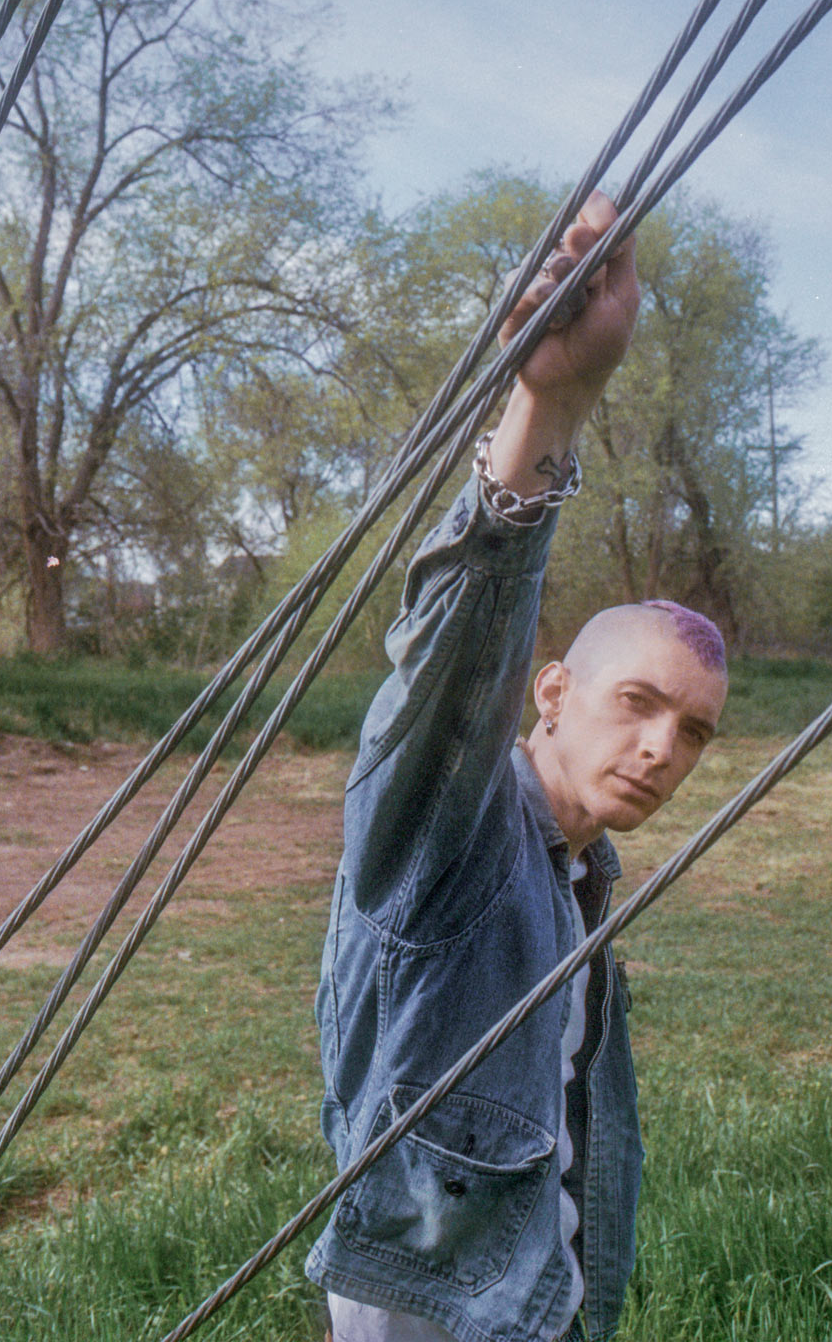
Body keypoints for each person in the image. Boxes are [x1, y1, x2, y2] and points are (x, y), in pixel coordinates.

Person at [306, 191, 728, 1342]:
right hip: (429, 1315)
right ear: (550, 693)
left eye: (693, 730)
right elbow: (447, 680)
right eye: (637, 703)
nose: (661, 748)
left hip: (533, 1303)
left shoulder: (580, 873)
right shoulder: (453, 827)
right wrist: (550, 408)